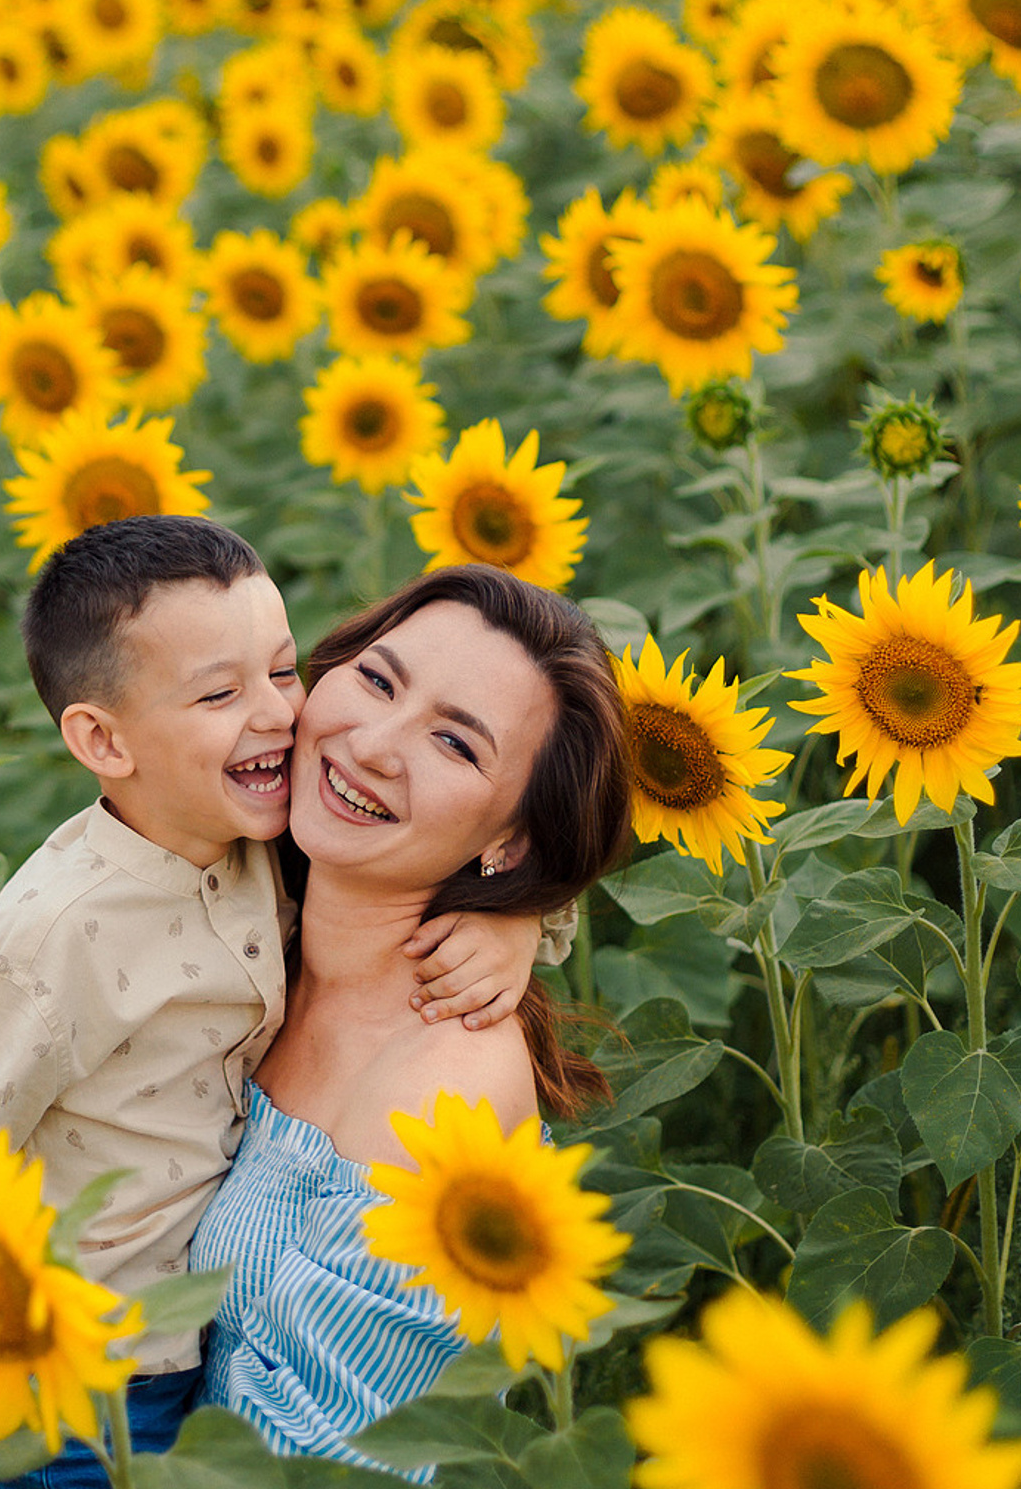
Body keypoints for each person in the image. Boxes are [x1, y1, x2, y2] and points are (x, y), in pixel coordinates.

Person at [0, 520, 555, 1488]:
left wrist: (521, 923)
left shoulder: (263, 852)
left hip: (171, 1382)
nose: (277, 718)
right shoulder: (66, 933)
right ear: (103, 739)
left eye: (279, 673)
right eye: (221, 694)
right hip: (52, 1384)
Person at [191, 566, 632, 1469]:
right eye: (378, 680)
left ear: (510, 840)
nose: (374, 744)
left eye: (458, 746)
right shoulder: (247, 910)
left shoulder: (440, 1088)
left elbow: (327, 1467)